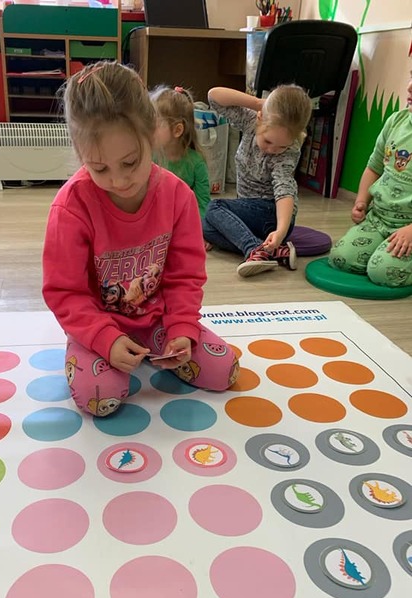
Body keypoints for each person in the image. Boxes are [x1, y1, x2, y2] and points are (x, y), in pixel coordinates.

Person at [42, 61, 239, 417]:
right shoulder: (71, 207)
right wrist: (105, 338)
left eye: (131, 162)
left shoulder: (177, 196)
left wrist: (181, 328)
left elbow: (185, 275)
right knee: (99, 396)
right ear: (80, 152)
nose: (118, 181)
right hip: (98, 324)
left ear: (152, 135)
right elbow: (65, 293)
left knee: (224, 370)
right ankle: (90, 345)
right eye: (99, 168)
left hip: (157, 321)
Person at [202, 84, 312, 277]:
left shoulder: (288, 154)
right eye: (268, 141)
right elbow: (214, 96)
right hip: (250, 213)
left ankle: (253, 248)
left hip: (272, 215)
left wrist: (280, 231)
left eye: (282, 146)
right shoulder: (251, 120)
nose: (272, 150)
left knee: (214, 207)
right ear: (260, 119)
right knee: (205, 227)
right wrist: (259, 104)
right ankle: (273, 250)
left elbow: (285, 191)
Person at [328, 72, 412, 287]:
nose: (410, 87)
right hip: (379, 219)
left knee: (382, 273)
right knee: (341, 258)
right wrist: (361, 201)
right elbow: (374, 167)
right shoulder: (396, 121)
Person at [150, 84, 211, 219]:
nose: (148, 129)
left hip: (184, 221)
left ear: (177, 130)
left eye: (155, 124)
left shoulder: (196, 163)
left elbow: (203, 205)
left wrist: (194, 227)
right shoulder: (149, 157)